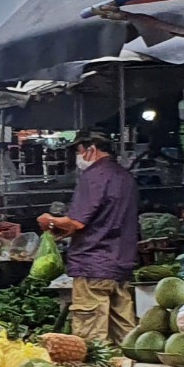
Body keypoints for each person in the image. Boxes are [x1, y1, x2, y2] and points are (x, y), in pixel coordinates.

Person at [41, 128, 139, 344]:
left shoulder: (93, 176)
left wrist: (49, 221)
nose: (78, 156)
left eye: (79, 150)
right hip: (121, 265)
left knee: (92, 341)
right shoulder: (125, 177)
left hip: (93, 265)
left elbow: (76, 222)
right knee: (126, 339)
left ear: (91, 150)